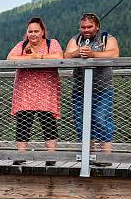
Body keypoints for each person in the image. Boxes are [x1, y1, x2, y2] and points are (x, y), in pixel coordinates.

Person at [7, 17, 63, 163]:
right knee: (23, 122)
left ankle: (51, 157)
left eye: (36, 31)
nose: (33, 34)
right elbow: (10, 58)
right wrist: (31, 58)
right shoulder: (21, 45)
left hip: (46, 89)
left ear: (42, 32)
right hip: (25, 90)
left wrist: (37, 56)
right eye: (30, 31)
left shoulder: (52, 43)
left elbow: (59, 56)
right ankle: (21, 156)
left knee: (48, 122)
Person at [63, 13, 120, 153]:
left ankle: (106, 156)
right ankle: (88, 155)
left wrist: (93, 54)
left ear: (97, 27)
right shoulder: (76, 40)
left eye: (90, 26)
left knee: (101, 119)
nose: (86, 30)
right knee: (81, 122)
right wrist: (78, 52)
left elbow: (114, 54)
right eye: (83, 27)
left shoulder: (107, 38)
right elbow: (66, 55)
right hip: (80, 89)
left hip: (103, 89)